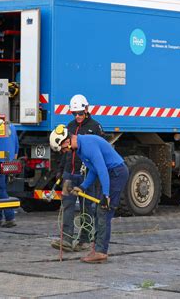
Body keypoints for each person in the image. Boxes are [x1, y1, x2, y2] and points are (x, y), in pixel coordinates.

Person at [49, 126, 129, 263]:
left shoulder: (88, 146)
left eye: (62, 149)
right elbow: (94, 170)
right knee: (99, 212)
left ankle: (100, 252)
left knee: (104, 211)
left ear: (66, 141)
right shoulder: (80, 149)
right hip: (110, 174)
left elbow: (102, 170)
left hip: (116, 174)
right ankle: (98, 249)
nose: (64, 151)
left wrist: (106, 195)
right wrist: (82, 186)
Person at [51, 94, 104, 252]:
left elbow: (100, 152)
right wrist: (61, 171)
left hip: (86, 175)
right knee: (67, 205)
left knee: (86, 208)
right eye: (74, 114)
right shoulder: (69, 127)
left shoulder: (95, 127)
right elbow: (65, 151)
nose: (78, 116)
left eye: (80, 113)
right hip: (69, 173)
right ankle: (66, 239)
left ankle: (84, 240)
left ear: (87, 109)